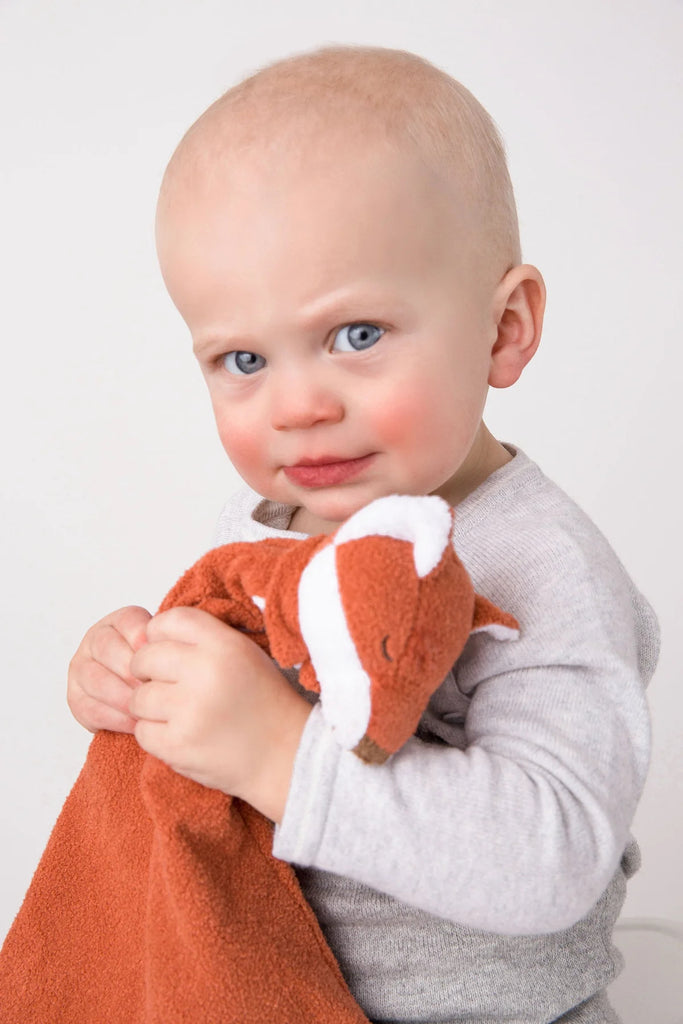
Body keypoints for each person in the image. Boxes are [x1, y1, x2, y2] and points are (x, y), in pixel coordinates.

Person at [66, 44, 659, 1023]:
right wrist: (134, 678)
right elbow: (223, 703)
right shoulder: (268, 522)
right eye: (243, 359)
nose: (297, 406)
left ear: (503, 327)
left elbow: (553, 854)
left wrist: (277, 754)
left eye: (356, 336)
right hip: (260, 989)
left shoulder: (542, 566)